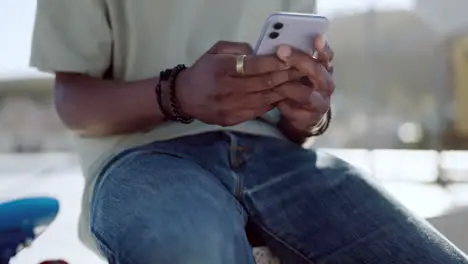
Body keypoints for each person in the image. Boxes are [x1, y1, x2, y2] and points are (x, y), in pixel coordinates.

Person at [30, 1, 468, 263]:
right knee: (189, 249)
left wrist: (307, 115)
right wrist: (177, 93)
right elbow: (72, 100)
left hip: (280, 156)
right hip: (143, 158)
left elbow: (301, 126)